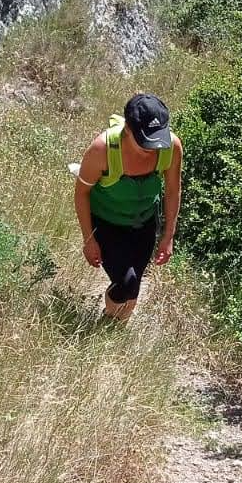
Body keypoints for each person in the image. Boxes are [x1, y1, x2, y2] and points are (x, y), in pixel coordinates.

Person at [73, 93, 182, 322]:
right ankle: (108, 322)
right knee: (126, 283)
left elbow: (173, 190)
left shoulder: (171, 146)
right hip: (106, 223)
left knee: (134, 285)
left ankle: (118, 328)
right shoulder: (102, 150)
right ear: (129, 130)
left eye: (156, 139)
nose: (152, 148)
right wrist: (88, 239)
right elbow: (81, 193)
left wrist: (168, 235)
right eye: (145, 142)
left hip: (144, 223)